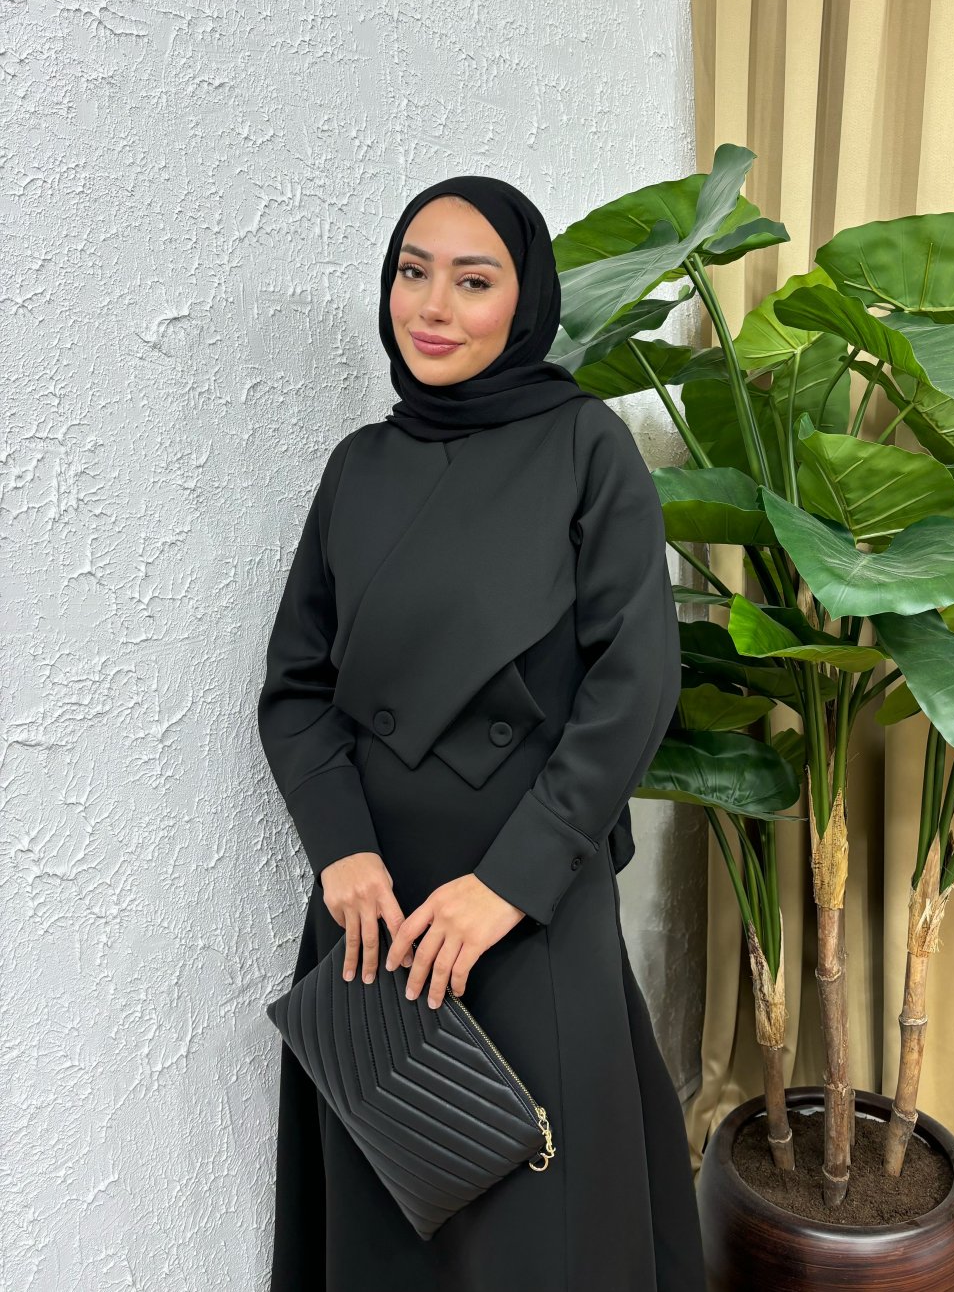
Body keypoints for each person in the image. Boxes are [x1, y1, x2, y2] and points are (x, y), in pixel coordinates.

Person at [256, 174, 708, 1292]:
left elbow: (636, 683)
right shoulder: (358, 467)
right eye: (413, 273)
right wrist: (342, 853)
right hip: (377, 911)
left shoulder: (584, 446)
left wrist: (508, 885)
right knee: (387, 1216)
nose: (433, 306)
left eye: (473, 280)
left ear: (526, 300)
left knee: (539, 1228)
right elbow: (296, 687)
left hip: (523, 899)